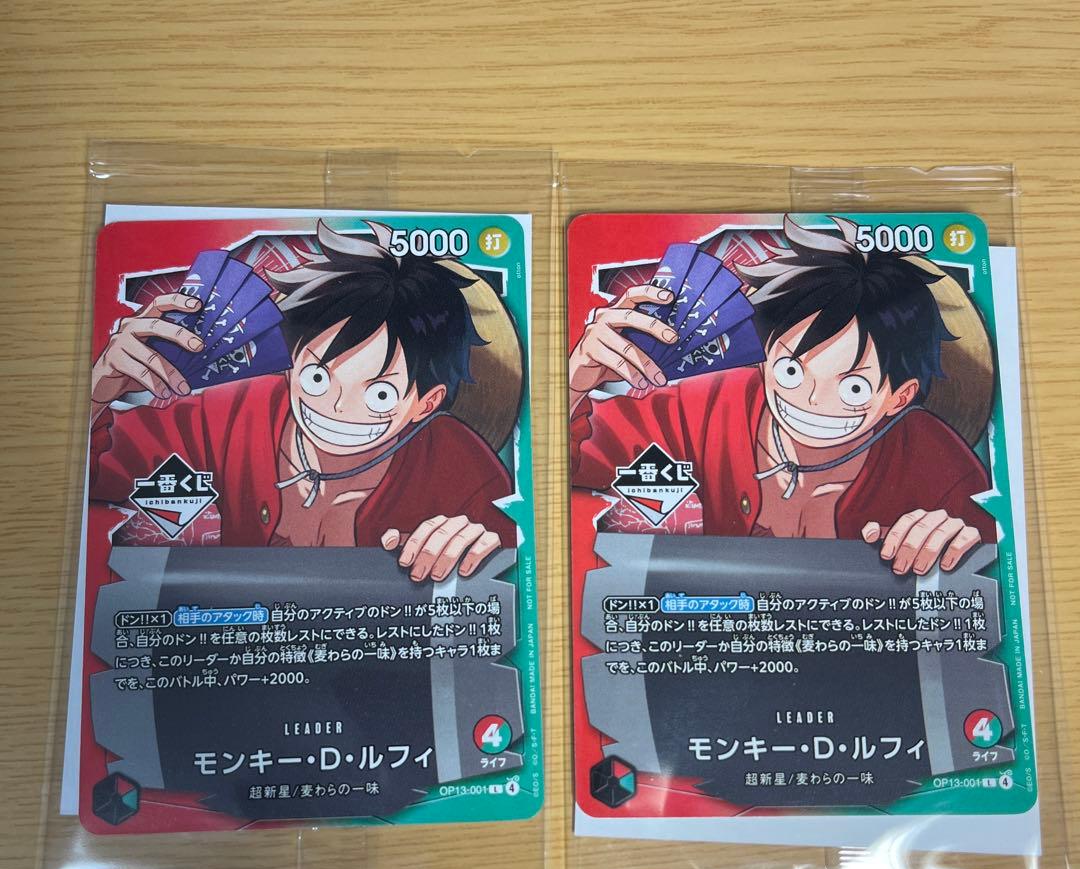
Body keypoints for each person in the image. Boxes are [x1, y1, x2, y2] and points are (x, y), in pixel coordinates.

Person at [89, 221, 516, 583]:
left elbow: (509, 572)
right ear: (291, 364)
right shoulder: (235, 413)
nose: (336, 406)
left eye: (380, 394)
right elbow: (97, 473)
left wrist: (478, 552)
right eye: (317, 377)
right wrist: (96, 395)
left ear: (426, 403)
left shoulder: (463, 472)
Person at [570, 215, 995, 576]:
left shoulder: (937, 466)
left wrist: (959, 545)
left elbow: (988, 565)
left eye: (854, 387)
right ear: (764, 357)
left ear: (899, 398)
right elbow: (572, 464)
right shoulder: (706, 408)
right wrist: (574, 383)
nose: (811, 400)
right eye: (791, 371)